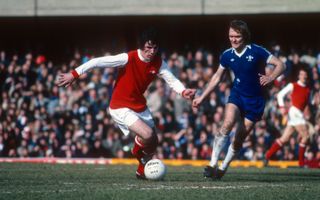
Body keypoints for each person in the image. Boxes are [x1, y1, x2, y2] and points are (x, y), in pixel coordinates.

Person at [57, 28, 196, 179]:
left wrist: (183, 91)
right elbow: (97, 62)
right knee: (147, 135)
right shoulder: (128, 58)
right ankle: (136, 150)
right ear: (141, 46)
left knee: (153, 142)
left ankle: (141, 170)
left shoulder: (159, 63)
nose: (152, 51)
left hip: (139, 104)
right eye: (148, 47)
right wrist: (74, 74)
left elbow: (172, 80)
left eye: (155, 47)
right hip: (120, 106)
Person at [192, 20, 285, 179]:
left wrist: (271, 77)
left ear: (245, 36)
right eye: (231, 36)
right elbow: (216, 77)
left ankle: (223, 168)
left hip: (255, 101)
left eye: (237, 36)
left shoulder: (257, 51)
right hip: (237, 96)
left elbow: (280, 65)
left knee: (238, 139)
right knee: (227, 123)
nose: (233, 39)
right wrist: (202, 97)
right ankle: (212, 163)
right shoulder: (227, 55)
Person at [264, 68, 311, 167]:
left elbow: (305, 104)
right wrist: (282, 107)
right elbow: (280, 95)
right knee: (306, 136)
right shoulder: (293, 85)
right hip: (294, 112)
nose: (304, 76)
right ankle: (301, 163)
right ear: (299, 76)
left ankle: (267, 156)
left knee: (284, 139)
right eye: (302, 74)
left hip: (299, 114)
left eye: (305, 74)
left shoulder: (307, 89)